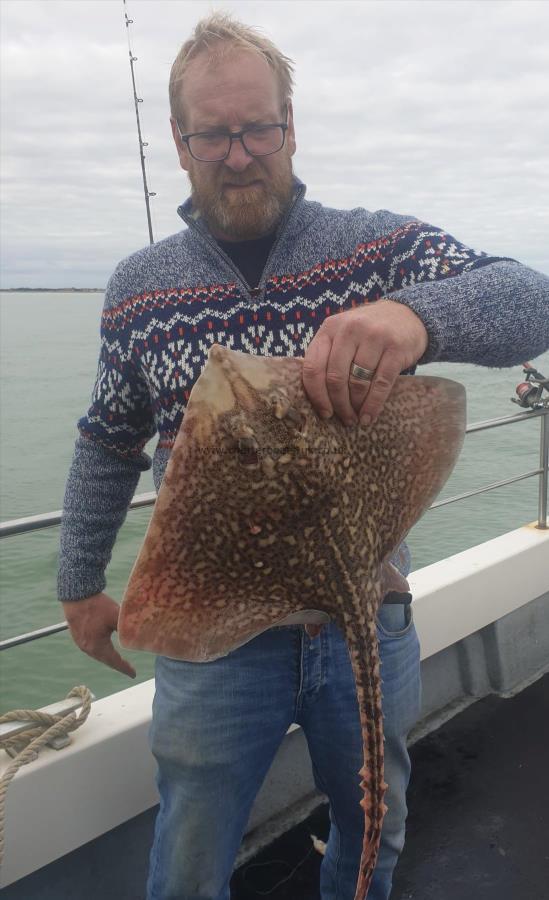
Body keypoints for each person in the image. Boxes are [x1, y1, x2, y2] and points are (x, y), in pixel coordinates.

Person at [58, 13, 549, 900]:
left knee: (374, 813)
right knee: (192, 841)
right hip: (216, 639)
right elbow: (107, 438)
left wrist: (414, 318)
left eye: (259, 128)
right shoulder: (138, 287)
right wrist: (79, 579)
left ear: (291, 126)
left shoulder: (375, 249)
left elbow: (530, 300)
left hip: (366, 605)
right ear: (179, 141)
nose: (239, 153)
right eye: (214, 132)